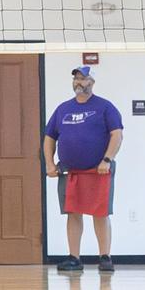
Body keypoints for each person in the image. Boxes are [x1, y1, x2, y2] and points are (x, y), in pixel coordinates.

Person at [44, 65, 124, 273]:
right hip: (70, 172)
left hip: (98, 170)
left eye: (83, 79)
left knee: (100, 213)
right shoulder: (63, 109)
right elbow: (49, 137)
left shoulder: (105, 107)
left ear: (92, 82)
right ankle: (74, 258)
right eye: (76, 79)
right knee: (73, 213)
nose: (79, 82)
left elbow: (117, 134)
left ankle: (105, 257)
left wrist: (107, 159)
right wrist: (49, 163)